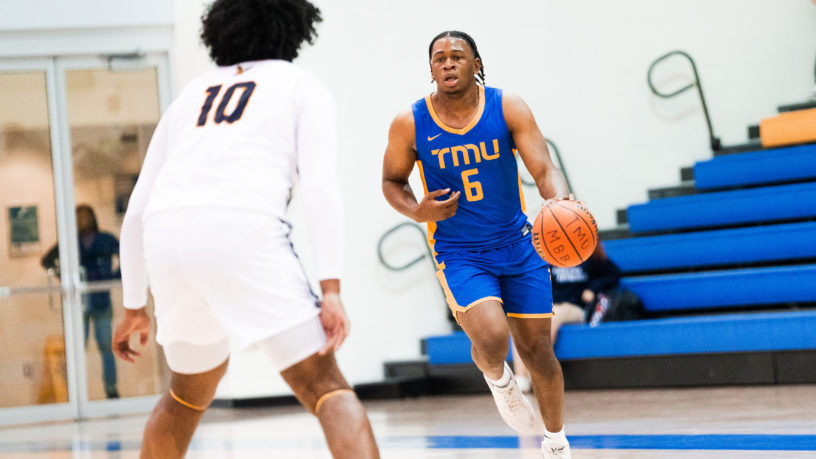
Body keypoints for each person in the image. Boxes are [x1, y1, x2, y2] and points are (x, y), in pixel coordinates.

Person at [111, 1, 379, 458]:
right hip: (242, 229)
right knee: (327, 388)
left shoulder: (190, 95)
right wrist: (330, 288)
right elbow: (319, 189)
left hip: (167, 237)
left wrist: (134, 306)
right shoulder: (301, 86)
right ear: (293, 27)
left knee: (185, 394)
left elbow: (137, 211)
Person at [382, 30, 574, 459]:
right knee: (491, 337)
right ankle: (500, 381)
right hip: (460, 252)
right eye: (439, 58)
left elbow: (544, 169)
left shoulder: (508, 106)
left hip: (517, 244)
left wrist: (560, 202)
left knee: (538, 352)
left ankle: (556, 442)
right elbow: (392, 181)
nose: (447, 63)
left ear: (477, 64)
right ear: (431, 70)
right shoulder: (410, 122)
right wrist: (417, 210)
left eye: (456, 56)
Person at [513, 243, 623, 390]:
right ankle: (521, 378)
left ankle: (538, 373)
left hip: (577, 309)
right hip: (552, 305)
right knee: (520, 319)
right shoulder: (550, 256)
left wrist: (592, 289)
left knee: (554, 315)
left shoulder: (589, 254)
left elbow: (613, 274)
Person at [42, 204, 120, 399]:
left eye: (86, 216)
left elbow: (126, 255)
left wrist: (113, 277)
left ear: (93, 218)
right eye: (79, 217)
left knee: (106, 346)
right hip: (79, 301)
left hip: (101, 299)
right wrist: (64, 277)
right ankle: (76, 392)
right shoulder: (71, 241)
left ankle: (111, 390)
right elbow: (47, 260)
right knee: (78, 348)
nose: (83, 221)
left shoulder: (105, 239)